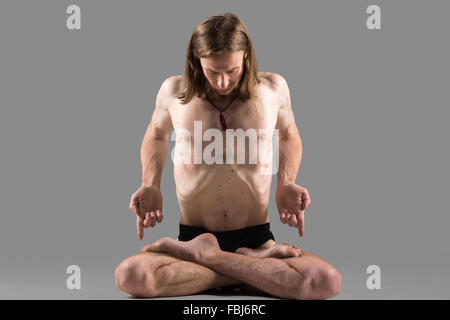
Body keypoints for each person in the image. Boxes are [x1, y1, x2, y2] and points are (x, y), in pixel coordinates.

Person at [114, 13, 342, 300]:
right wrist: (150, 184)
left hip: (256, 238)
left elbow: (289, 134)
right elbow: (156, 135)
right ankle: (251, 270)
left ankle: (211, 260)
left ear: (246, 56)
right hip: (194, 235)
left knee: (325, 282)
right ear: (196, 61)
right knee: (132, 276)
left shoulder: (273, 89)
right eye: (212, 72)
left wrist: (286, 183)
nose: (222, 82)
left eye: (231, 70)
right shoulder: (173, 91)